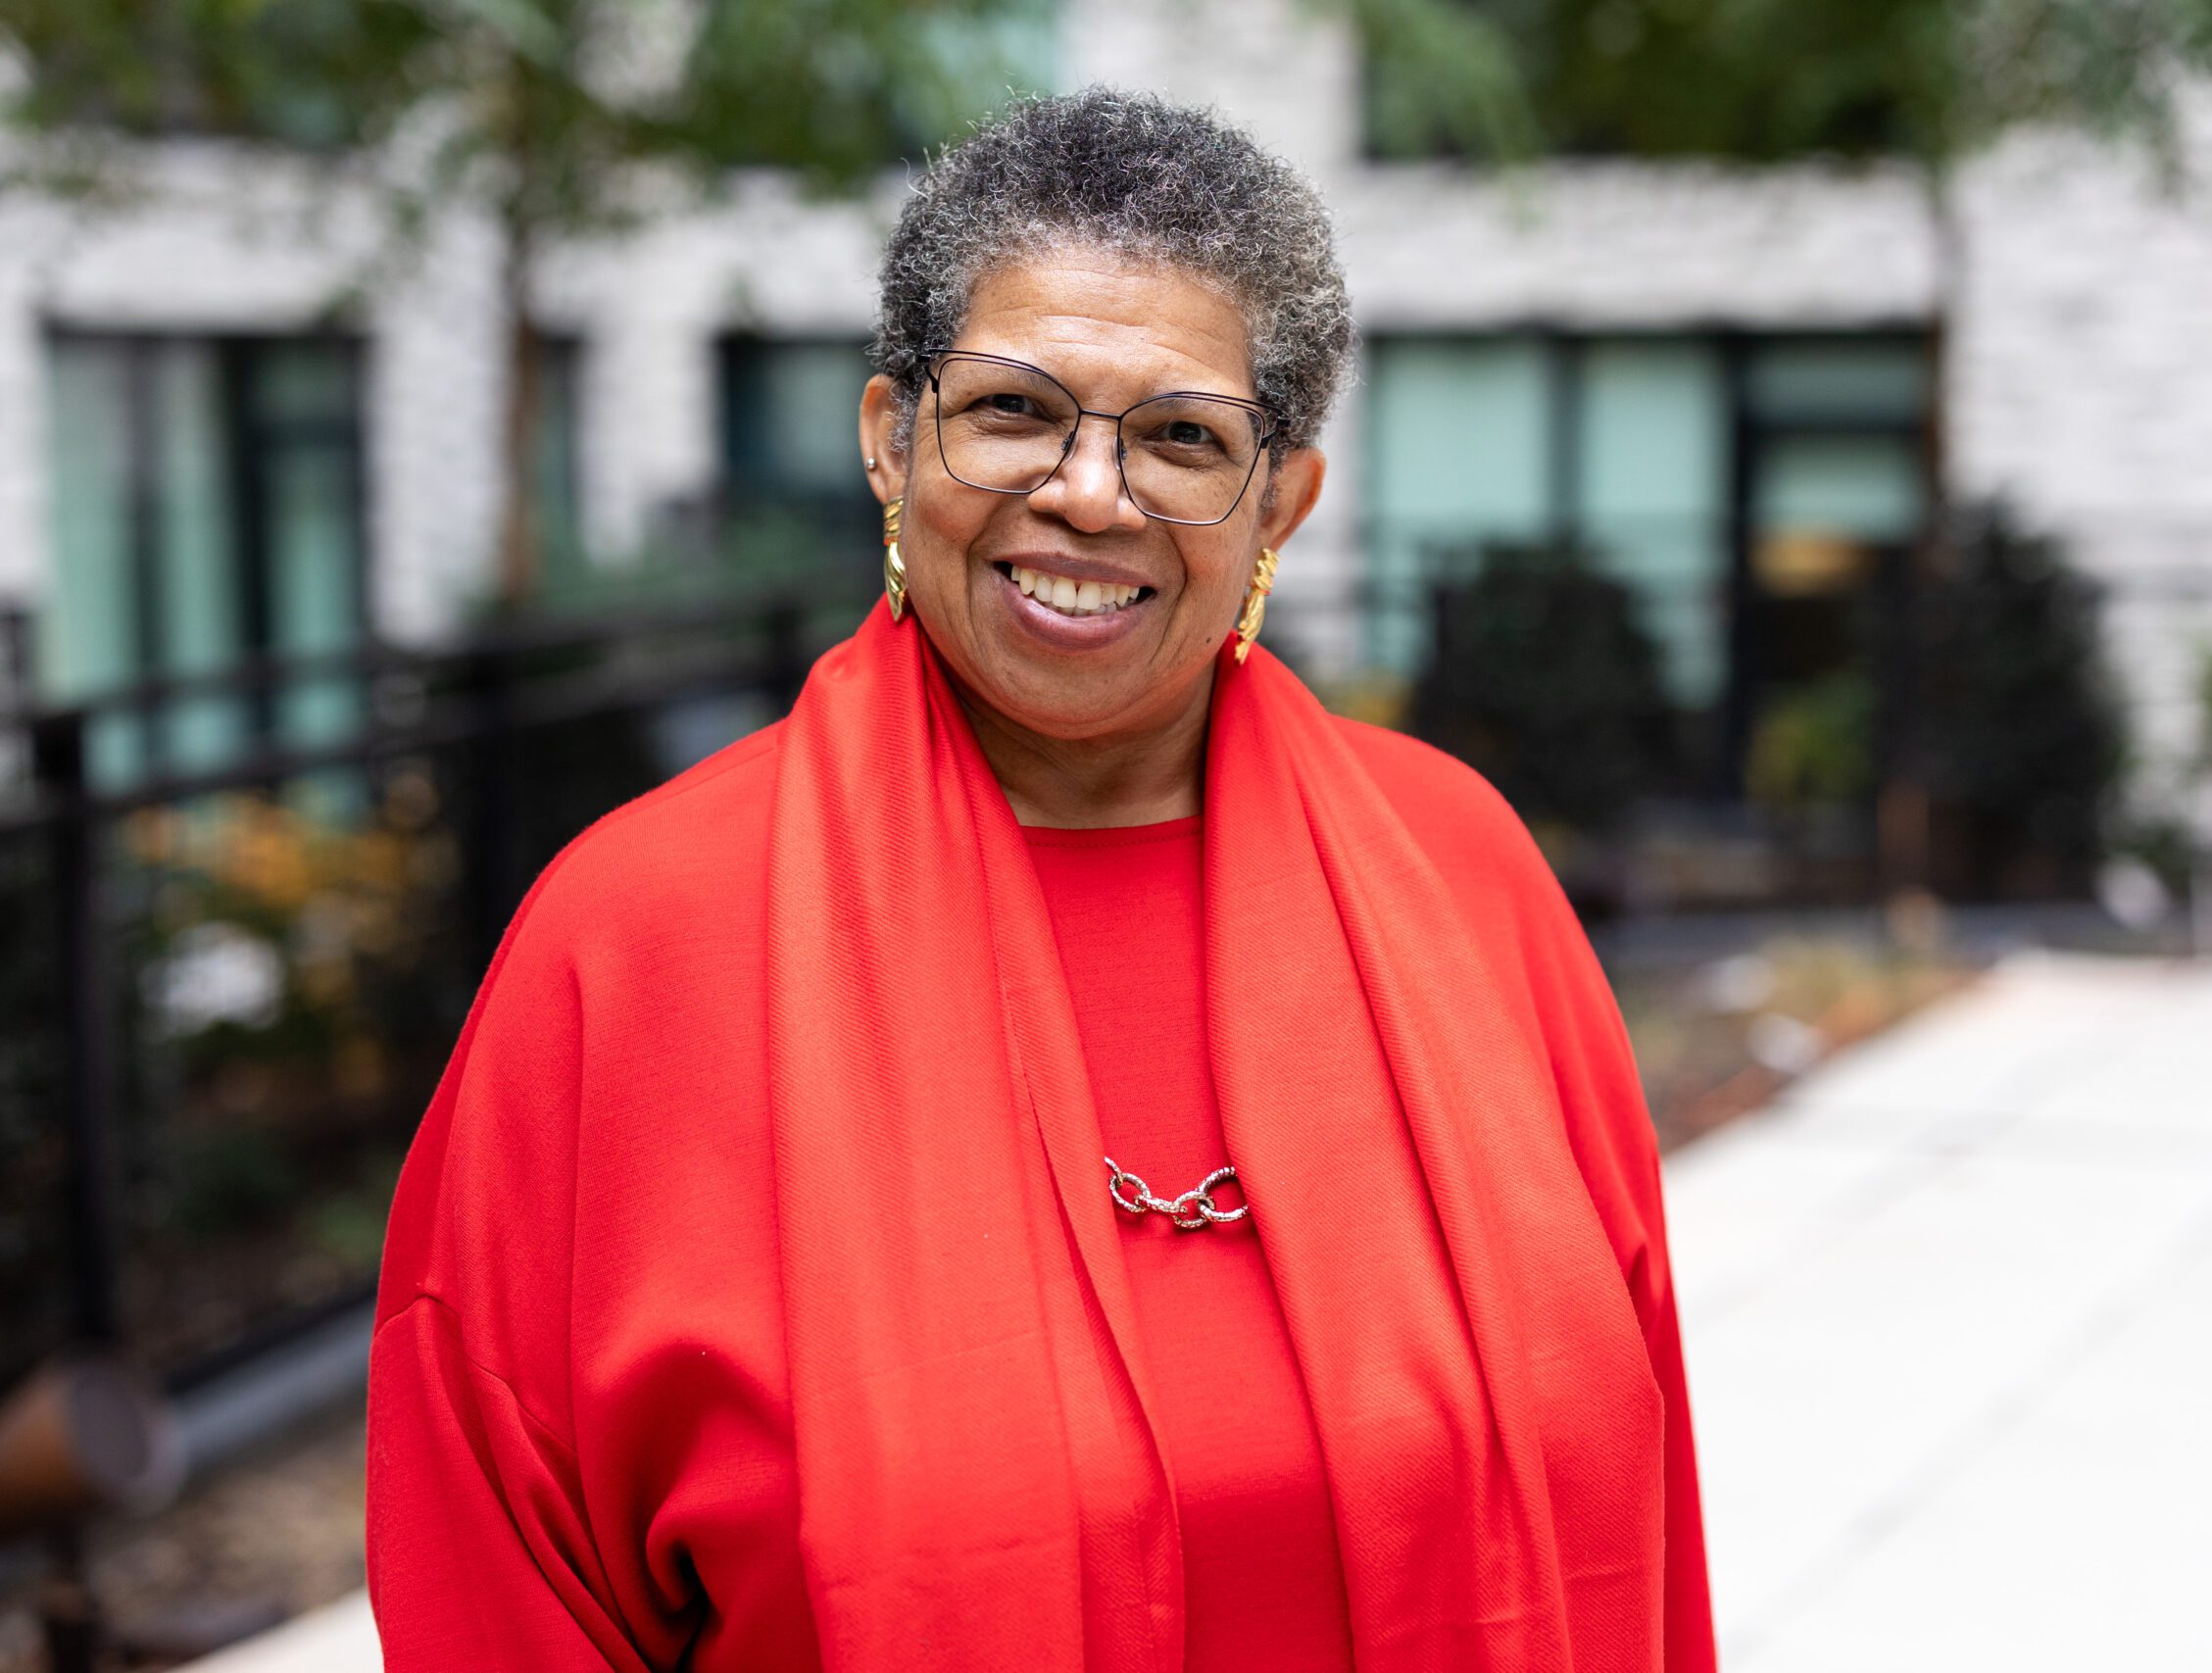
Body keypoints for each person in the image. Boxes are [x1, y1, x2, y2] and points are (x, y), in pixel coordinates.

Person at [367, 87, 1715, 1672]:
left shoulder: (1461, 872)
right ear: (890, 437)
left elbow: (1640, 1522)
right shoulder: (638, 939)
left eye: (1182, 436)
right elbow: (495, 1572)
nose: (1089, 492)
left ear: (1281, 501)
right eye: (1013, 411)